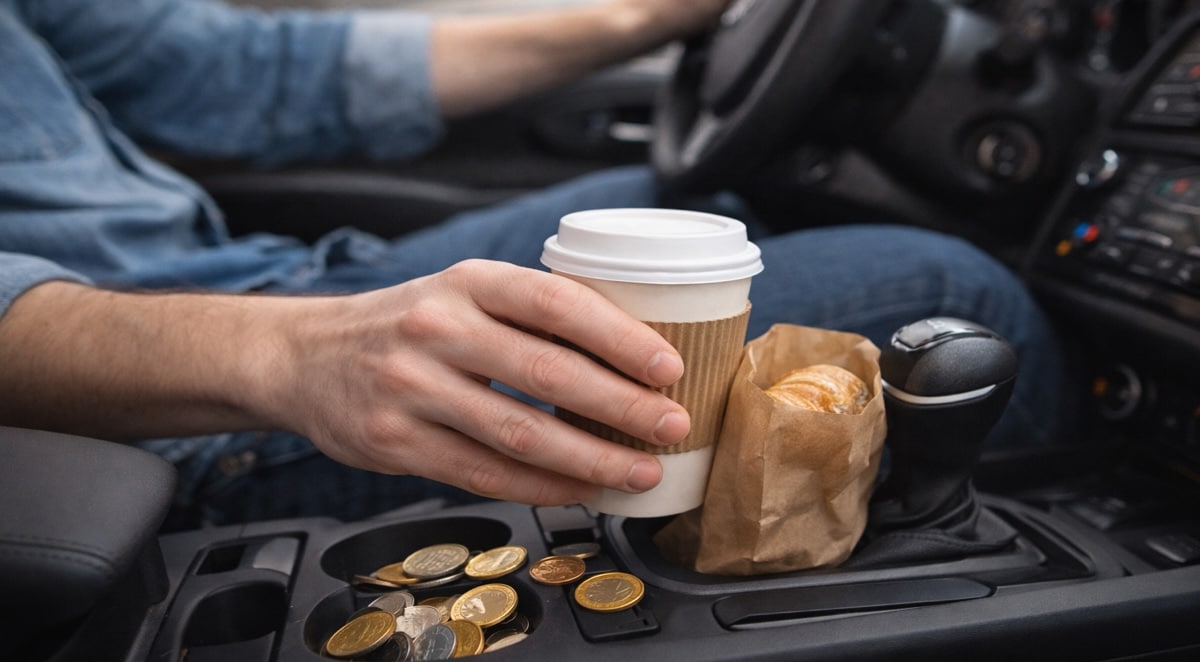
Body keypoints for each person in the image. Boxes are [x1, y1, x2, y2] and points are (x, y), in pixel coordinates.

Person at [0, 0, 1080, 529]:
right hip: (148, 423)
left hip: (259, 280)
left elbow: (243, 74)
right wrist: (287, 353)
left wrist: (645, 19)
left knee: (724, 200)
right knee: (955, 293)